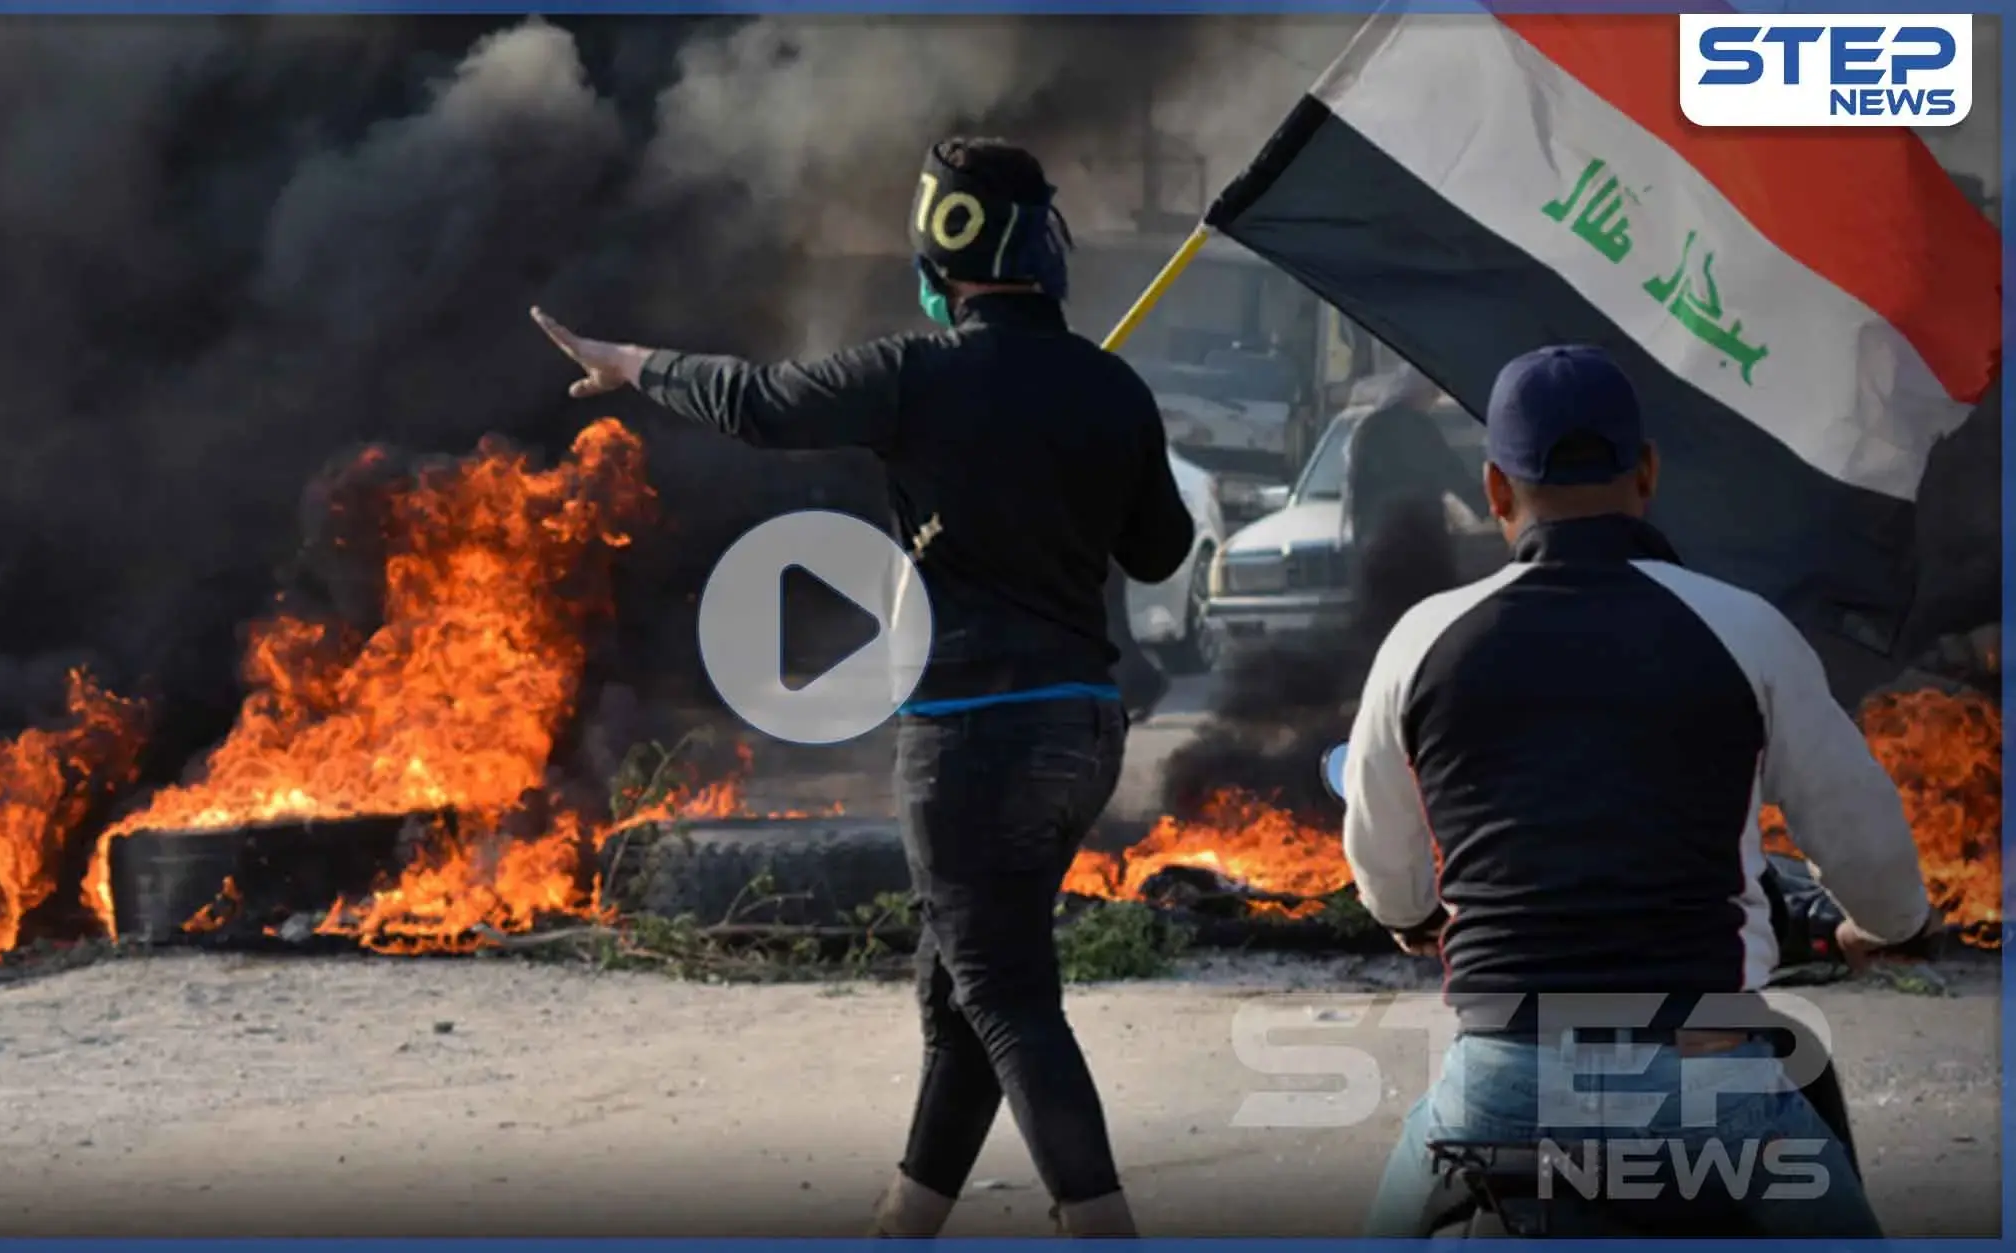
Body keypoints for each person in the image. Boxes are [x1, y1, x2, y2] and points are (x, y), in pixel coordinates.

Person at [532, 137, 1193, 1238]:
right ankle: (904, 1218)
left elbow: (760, 403)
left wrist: (633, 361)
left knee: (1000, 990)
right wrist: (1082, 458)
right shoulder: (1108, 384)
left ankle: (1101, 1223)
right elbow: (1164, 549)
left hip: (972, 735)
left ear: (941, 252)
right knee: (962, 983)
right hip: (1081, 726)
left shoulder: (914, 377)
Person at [1339, 345, 1942, 1237]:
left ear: (1498, 490)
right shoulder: (1745, 629)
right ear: (1649, 472)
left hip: (1503, 1088)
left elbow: (1382, 869)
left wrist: (1412, 912)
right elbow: (1871, 850)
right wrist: (1884, 927)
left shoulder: (1420, 641)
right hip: (1709, 1088)